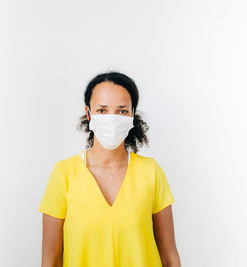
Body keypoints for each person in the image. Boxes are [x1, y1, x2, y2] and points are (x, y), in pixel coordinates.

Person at [39, 71, 182, 267]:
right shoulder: (64, 174)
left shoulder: (151, 173)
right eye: (102, 110)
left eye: (122, 111)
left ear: (132, 115)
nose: (112, 119)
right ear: (88, 113)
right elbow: (50, 261)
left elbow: (170, 258)